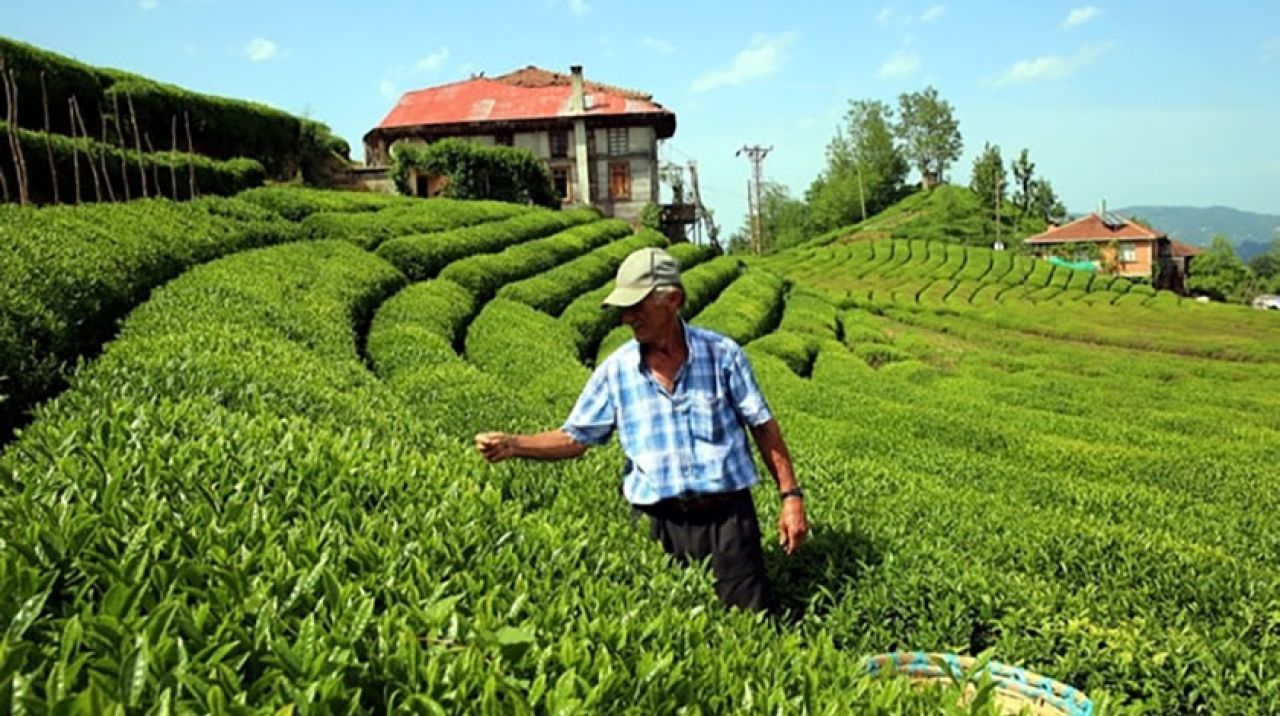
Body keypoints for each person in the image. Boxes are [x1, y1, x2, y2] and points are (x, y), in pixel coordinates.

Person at [475, 247, 808, 611]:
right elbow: (574, 436)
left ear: (673, 299)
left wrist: (790, 497)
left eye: (637, 306)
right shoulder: (615, 370)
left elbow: (763, 426)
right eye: (623, 308)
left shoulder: (723, 355)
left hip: (727, 521)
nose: (626, 318)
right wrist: (514, 444)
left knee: (749, 626)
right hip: (655, 524)